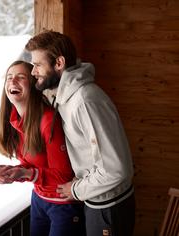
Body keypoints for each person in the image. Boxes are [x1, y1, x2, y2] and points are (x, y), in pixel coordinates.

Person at [25, 30, 135, 236]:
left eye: (37, 65)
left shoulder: (85, 100)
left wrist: (75, 190)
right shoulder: (66, 97)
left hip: (108, 205)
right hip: (96, 199)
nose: (33, 72)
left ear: (59, 63)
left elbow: (116, 169)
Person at [0, 60, 86, 236]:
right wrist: (13, 171)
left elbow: (63, 175)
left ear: (34, 84)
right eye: (9, 77)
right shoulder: (14, 120)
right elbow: (35, 166)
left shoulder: (48, 120)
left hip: (64, 206)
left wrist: (25, 174)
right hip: (39, 199)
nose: (13, 82)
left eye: (21, 77)